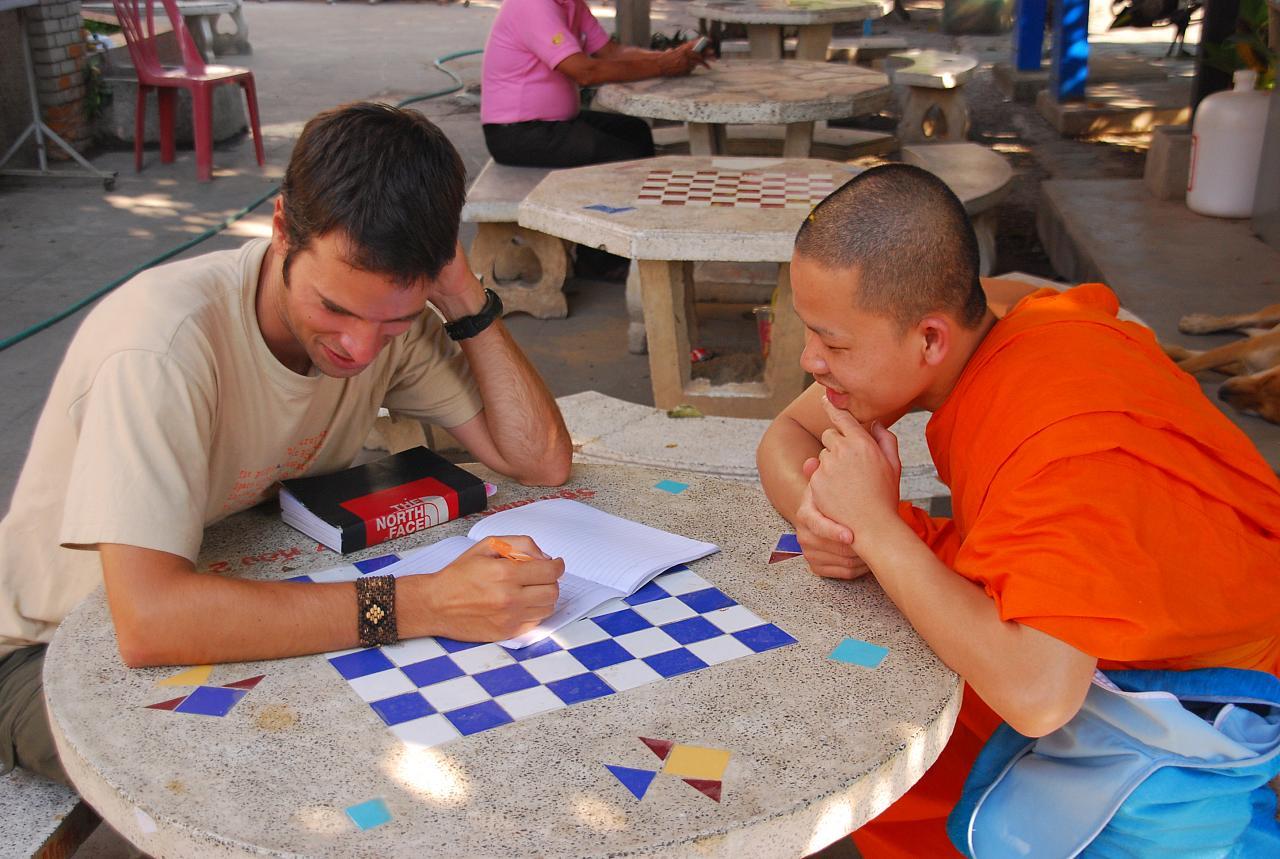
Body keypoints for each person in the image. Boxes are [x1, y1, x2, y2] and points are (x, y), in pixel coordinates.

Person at [0, 103, 573, 785]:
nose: (359, 348)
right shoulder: (162, 347)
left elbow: (540, 459)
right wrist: (426, 601)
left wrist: (462, 299)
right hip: (47, 649)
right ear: (280, 230)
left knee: (462, 733)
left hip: (229, 584)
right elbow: (149, 620)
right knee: (286, 773)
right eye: (334, 308)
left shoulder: (399, 318)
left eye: (392, 320)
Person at [756, 163, 1280, 856]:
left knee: (891, 733)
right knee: (873, 686)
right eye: (808, 331)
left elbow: (1040, 696)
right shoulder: (1000, 309)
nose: (810, 359)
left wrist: (879, 530)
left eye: (834, 342)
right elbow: (782, 442)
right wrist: (834, 525)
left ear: (930, 339)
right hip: (1085, 622)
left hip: (1190, 696)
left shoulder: (1058, 445)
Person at [480, 0, 709, 168]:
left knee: (636, 132)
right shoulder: (532, 5)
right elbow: (585, 72)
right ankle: (615, 223)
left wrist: (671, 56)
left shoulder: (571, 3)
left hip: (553, 124)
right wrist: (662, 65)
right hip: (517, 133)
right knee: (622, 155)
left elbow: (611, 52)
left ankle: (638, 214)